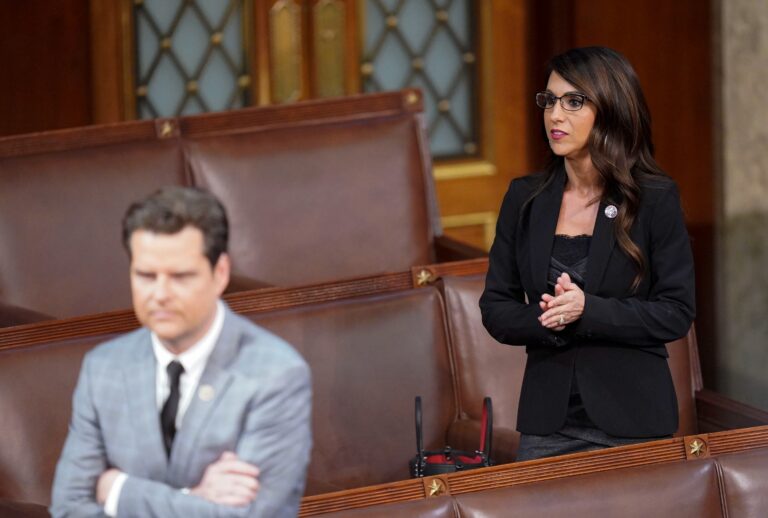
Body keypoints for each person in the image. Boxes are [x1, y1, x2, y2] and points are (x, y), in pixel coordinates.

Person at [479, 47, 695, 461]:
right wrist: (552, 316)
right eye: (550, 100)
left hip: (634, 421)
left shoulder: (654, 198)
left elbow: (675, 311)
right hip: (548, 425)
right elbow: (496, 307)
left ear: (611, 109)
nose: (555, 116)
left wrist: (587, 310)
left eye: (574, 102)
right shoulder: (525, 198)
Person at [51, 186, 312, 517]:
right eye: (146, 276)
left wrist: (118, 491)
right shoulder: (102, 367)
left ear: (220, 274)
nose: (160, 294)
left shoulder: (277, 374)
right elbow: (68, 508)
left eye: (180, 276)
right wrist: (194, 495)